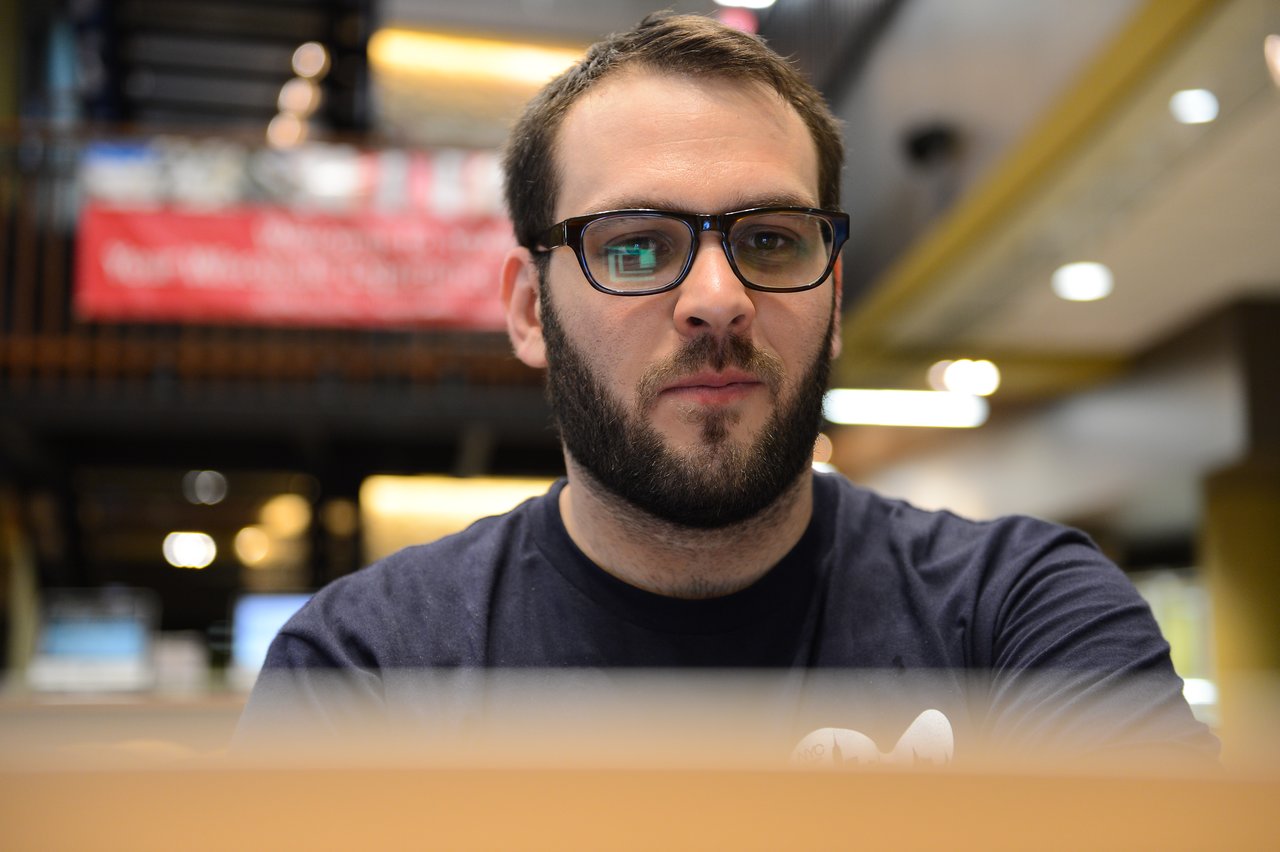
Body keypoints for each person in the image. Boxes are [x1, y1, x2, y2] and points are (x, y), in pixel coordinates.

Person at [238, 13, 1216, 765]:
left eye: (770, 242)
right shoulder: (363, 672)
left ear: (831, 301)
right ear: (529, 311)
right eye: (633, 247)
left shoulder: (1018, 617)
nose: (717, 299)